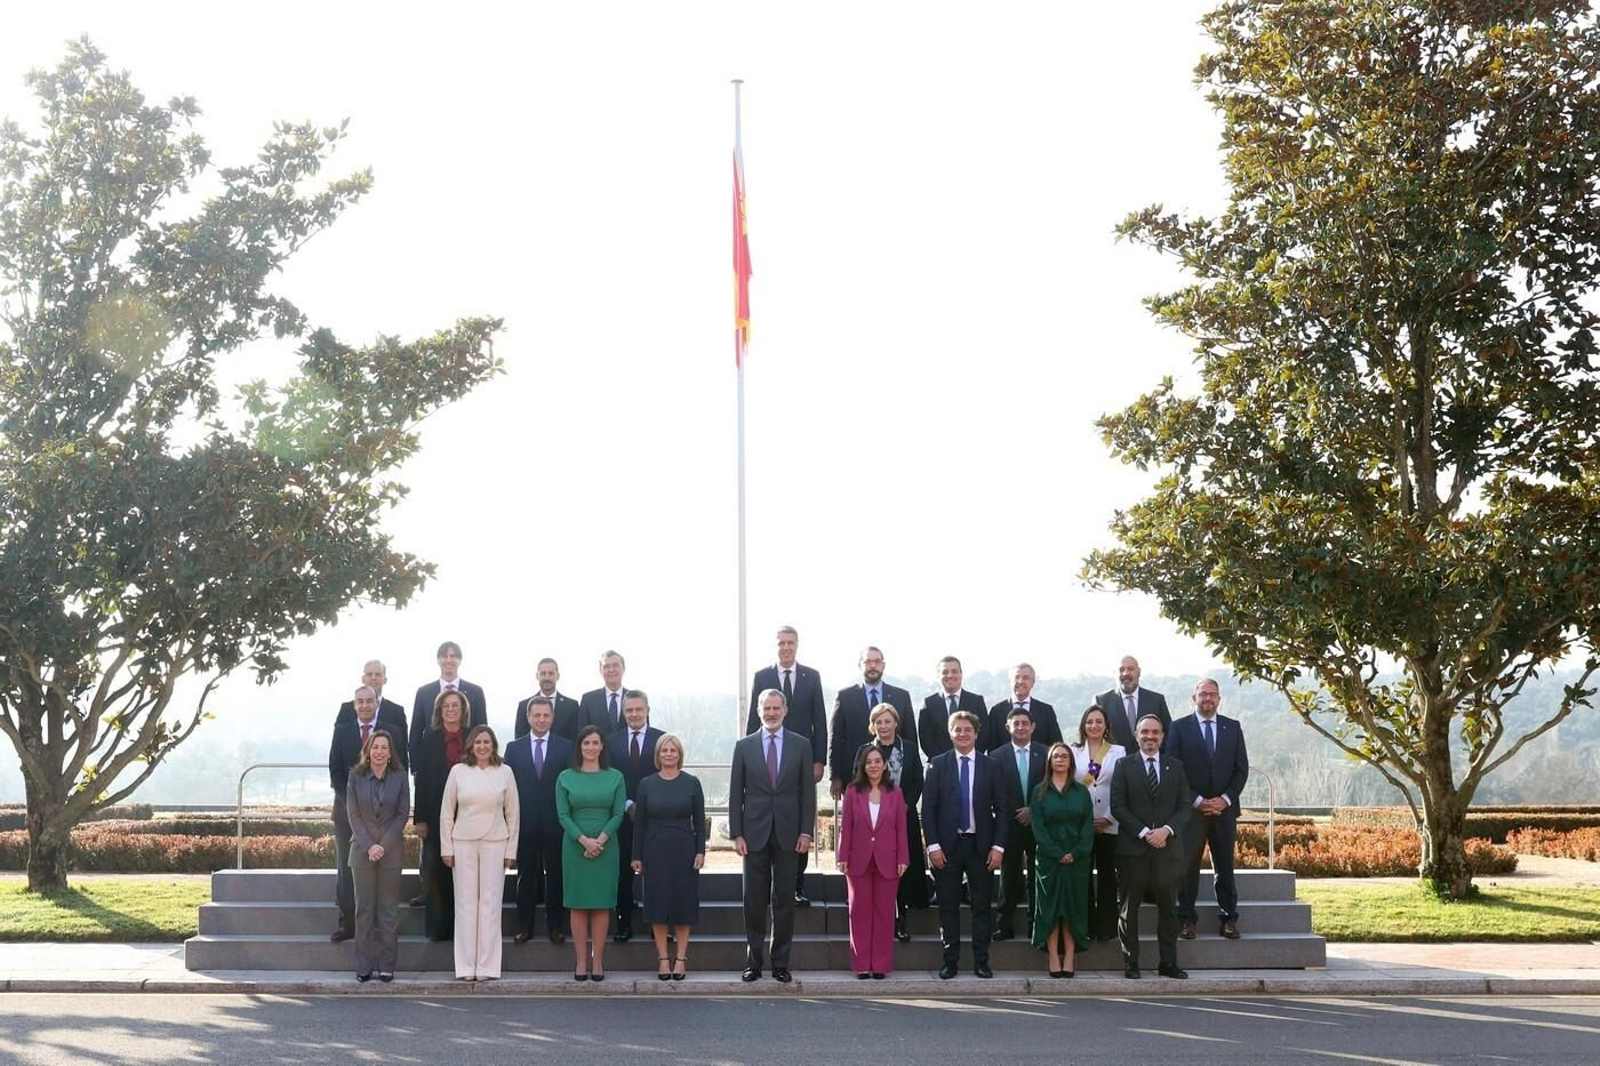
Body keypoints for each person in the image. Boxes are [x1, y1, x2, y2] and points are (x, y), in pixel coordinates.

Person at [730, 688, 817, 983]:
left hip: (789, 834)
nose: (771, 713)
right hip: (752, 833)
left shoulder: (802, 745)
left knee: (783, 900)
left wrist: (807, 831)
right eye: (766, 708)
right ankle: (753, 962)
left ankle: (780, 962)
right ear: (758, 711)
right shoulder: (743, 746)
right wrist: (736, 833)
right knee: (752, 899)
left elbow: (808, 792)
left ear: (785, 710)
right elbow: (735, 793)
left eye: (776, 708)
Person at [922, 710, 1008, 979]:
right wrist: (933, 846)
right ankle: (951, 961)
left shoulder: (990, 765)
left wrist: (998, 847)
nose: (962, 734)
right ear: (950, 733)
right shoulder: (937, 764)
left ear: (976, 733)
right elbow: (929, 809)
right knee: (947, 906)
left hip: (981, 847)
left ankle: (981, 961)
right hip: (947, 848)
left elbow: (1003, 809)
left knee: (981, 906)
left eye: (967, 729)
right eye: (957, 729)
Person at [746, 626, 827, 907]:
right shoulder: (762, 676)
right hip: (768, 757)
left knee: (797, 820)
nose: (785, 647)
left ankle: (797, 884)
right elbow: (752, 722)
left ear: (797, 645)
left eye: (790, 642)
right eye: (781, 643)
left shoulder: (811, 677)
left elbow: (820, 719)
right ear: (775, 646)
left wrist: (819, 760)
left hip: (799, 760)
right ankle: (769, 887)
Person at [1165, 677, 1250, 940]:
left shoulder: (1232, 728)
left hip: (1224, 810)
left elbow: (1241, 770)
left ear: (1219, 698)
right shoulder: (1178, 728)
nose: (1208, 699)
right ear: (1194, 698)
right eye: (1203, 694)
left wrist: (1224, 799)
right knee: (1188, 866)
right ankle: (1187, 920)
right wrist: (1198, 800)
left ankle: (1228, 919)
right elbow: (1173, 770)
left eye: (1212, 694)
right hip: (1191, 811)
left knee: (1224, 865)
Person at [1110, 714, 1193, 980]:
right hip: (1133, 850)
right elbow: (1118, 807)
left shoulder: (1175, 766)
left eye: (1155, 732)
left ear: (1162, 736)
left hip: (1167, 851)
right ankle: (1131, 963)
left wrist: (1166, 831)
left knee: (1169, 910)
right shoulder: (1124, 766)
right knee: (1128, 909)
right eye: (1145, 732)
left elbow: (1184, 806)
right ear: (1136, 735)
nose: (1150, 737)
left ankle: (1168, 964)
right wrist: (1146, 833)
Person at [439, 724, 518, 981]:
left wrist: (511, 850)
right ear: (471, 745)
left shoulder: (505, 772)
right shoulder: (458, 772)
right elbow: (447, 812)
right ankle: (465, 966)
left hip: (496, 842)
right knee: (465, 903)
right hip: (463, 842)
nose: (483, 746)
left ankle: (486, 967)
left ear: (494, 745)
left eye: (487, 742)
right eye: (478, 742)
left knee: (490, 904)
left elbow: (513, 813)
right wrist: (446, 848)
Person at [631, 734, 706, 981]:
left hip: (684, 850)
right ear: (658, 755)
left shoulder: (692, 783)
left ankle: (681, 959)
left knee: (683, 905)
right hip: (654, 851)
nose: (669, 754)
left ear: (679, 754)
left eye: (673, 750)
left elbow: (700, 822)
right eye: (665, 750)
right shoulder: (646, 784)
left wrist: (700, 851)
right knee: (658, 904)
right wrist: (637, 856)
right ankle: (663, 958)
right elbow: (639, 824)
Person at [556, 724, 627, 981]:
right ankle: (580, 961)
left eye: (596, 743)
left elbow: (618, 813)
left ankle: (598, 961)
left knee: (600, 904)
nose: (591, 747)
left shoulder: (615, 777)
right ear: (579, 747)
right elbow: (563, 814)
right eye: (586, 743)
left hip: (606, 845)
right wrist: (585, 841)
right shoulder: (565, 777)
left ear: (602, 747)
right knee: (577, 903)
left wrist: (600, 841)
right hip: (575, 846)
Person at [504, 696, 573, 944]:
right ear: (528, 717)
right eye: (537, 715)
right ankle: (525, 926)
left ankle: (556, 927)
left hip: (557, 823)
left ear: (552, 718)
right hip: (525, 823)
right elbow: (508, 788)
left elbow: (570, 787)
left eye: (546, 715)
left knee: (556, 876)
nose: (541, 720)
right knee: (526, 877)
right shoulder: (514, 748)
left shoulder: (566, 747)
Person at [854, 703, 926, 940]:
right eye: (878, 722)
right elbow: (857, 783)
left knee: (901, 868)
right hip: (873, 824)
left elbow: (917, 781)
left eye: (887, 721)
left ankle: (901, 918)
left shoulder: (910, 749)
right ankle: (881, 918)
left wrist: (904, 805)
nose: (883, 726)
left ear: (896, 723)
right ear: (872, 725)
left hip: (903, 817)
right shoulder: (864, 751)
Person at [837, 746, 909, 979]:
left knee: (884, 913)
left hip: (888, 860)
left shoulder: (895, 793)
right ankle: (862, 965)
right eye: (869, 762)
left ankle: (880, 965)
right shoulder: (852, 792)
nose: (874, 765)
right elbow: (845, 826)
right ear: (863, 766)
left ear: (885, 764)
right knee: (858, 911)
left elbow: (901, 828)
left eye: (878, 761)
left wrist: (903, 858)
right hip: (858, 859)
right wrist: (842, 856)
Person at [328, 685, 392, 943]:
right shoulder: (342, 732)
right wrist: (355, 804)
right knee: (346, 868)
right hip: (346, 814)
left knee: (380, 870)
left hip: (382, 816)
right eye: (360, 701)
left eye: (369, 701)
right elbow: (335, 773)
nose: (365, 705)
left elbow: (398, 769)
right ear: (354, 705)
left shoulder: (389, 733)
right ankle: (348, 924)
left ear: (377, 703)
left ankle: (376, 925)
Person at [346, 728, 409, 983]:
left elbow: (403, 814)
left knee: (388, 911)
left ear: (390, 752)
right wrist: (370, 845)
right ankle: (363, 966)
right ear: (368, 751)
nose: (380, 751)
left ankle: (386, 965)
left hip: (391, 852)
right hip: (361, 852)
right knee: (364, 910)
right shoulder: (355, 776)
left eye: (384, 747)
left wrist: (383, 844)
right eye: (375, 747)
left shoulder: (401, 777)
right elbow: (353, 815)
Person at [1029, 742, 1094, 978]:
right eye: (1055, 756)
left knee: (1072, 909)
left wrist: (1075, 853)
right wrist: (1057, 853)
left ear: (1070, 761)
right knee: (1051, 909)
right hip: (1049, 860)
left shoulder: (1081, 792)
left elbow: (1087, 826)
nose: (1059, 760)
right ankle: (1053, 956)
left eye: (1064, 756)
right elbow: (1038, 828)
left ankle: (1069, 956)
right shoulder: (1039, 792)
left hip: (1078, 860)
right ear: (1049, 761)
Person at [412, 689, 471, 941]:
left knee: (464, 872)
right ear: (439, 710)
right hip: (435, 812)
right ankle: (439, 929)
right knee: (437, 870)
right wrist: (420, 818)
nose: (450, 710)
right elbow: (422, 779)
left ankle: (462, 929)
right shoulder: (429, 738)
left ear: (463, 709)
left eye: (455, 705)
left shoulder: (473, 736)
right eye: (445, 706)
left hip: (468, 813)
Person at [606, 690, 663, 942]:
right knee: (623, 872)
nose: (634, 714)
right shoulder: (611, 741)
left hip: (656, 817)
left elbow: (667, 775)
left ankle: (657, 924)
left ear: (647, 710)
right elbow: (608, 778)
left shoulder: (661, 739)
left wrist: (649, 805)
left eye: (639, 709)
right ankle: (624, 923)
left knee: (655, 872)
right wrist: (628, 803)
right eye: (629, 710)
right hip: (623, 816)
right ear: (623, 712)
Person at [1068, 705, 1126, 941]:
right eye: (1089, 721)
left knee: (1107, 876)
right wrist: (1084, 820)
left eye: (1099, 721)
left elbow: (1122, 788)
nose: (1094, 725)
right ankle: (1085, 926)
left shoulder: (1118, 752)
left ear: (1106, 726)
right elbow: (1069, 787)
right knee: (1082, 876)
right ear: (1083, 725)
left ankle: (1107, 928)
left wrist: (1109, 817)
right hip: (1081, 825)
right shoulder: (1072, 751)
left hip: (1110, 822)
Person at [830, 646, 917, 800]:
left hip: (896, 777)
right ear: (860, 665)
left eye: (877, 661)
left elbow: (910, 736)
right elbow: (835, 737)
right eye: (868, 661)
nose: (872, 665)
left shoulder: (901, 696)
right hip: (856, 776)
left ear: (883, 665)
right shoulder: (845, 696)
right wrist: (835, 775)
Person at [991, 704, 1047, 942]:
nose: (1021, 727)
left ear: (1033, 727)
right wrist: (1013, 812)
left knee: (1038, 874)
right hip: (1008, 823)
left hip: (1039, 824)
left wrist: (1033, 810)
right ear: (1008, 727)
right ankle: (1005, 924)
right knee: (1008, 875)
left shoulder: (1046, 753)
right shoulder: (996, 756)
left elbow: (1052, 787)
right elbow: (994, 791)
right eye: (1016, 723)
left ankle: (1036, 922)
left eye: (1025, 723)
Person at [409, 640, 488, 761]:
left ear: (459, 661)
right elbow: (416, 732)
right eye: (444, 656)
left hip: (467, 759)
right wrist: (415, 767)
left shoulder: (475, 692)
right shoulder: (424, 693)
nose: (449, 660)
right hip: (432, 761)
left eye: (453, 656)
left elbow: (482, 729)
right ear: (438, 660)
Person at [334, 661, 411, 769]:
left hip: (387, 780)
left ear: (385, 679)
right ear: (363, 679)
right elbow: (337, 751)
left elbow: (402, 752)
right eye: (369, 674)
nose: (373, 678)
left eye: (378, 674)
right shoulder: (347, 709)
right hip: (350, 780)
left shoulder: (396, 711)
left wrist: (402, 783)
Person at [980, 662, 1063, 754]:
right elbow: (992, 747)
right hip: (1005, 767)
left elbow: (1056, 745)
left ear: (1033, 682)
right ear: (1010, 681)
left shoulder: (1046, 711)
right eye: (1016, 677)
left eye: (1026, 678)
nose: (1020, 681)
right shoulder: (997, 711)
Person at [918, 655, 988, 761]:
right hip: (940, 766)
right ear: (938, 676)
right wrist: (943, 761)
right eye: (945, 672)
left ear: (961, 674)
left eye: (954, 671)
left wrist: (968, 756)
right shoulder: (929, 704)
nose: (950, 675)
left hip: (971, 762)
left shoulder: (976, 701)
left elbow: (984, 734)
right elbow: (925, 739)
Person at [1097, 655, 1171, 752]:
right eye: (1121, 669)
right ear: (1115, 673)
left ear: (1139, 672)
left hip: (1150, 763)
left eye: (1130, 669)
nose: (1126, 673)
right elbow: (1096, 738)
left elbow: (1169, 735)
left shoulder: (1157, 700)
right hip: (1114, 764)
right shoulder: (1102, 701)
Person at [513, 657, 582, 742]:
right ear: (537, 676)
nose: (547, 678)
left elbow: (576, 739)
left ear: (558, 676)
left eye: (551, 673)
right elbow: (519, 741)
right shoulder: (524, 706)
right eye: (543, 673)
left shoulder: (572, 706)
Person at [577, 649, 629, 735]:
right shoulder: (588, 700)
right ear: (600, 671)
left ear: (623, 669)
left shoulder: (636, 699)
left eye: (615, 665)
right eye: (606, 666)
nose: (611, 670)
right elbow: (582, 735)